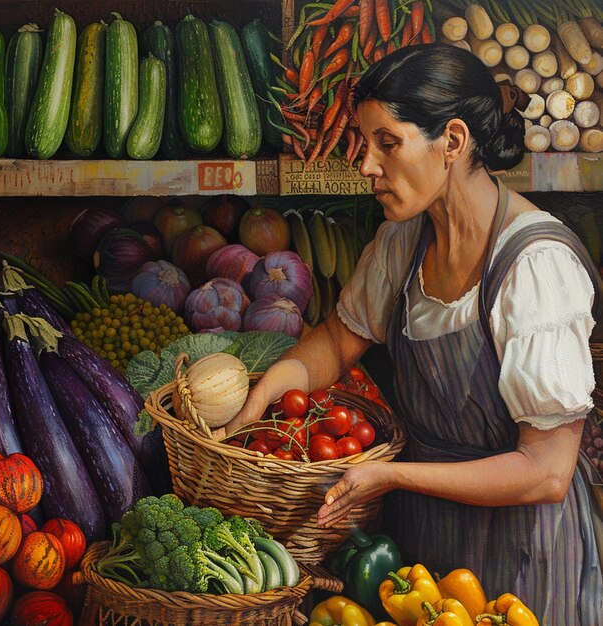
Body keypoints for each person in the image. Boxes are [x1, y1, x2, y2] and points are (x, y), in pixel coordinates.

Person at [224, 43, 603, 623]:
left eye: (388, 143)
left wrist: (391, 474)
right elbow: (334, 340)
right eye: (365, 144)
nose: (367, 166)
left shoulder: (534, 265)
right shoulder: (402, 246)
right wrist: (270, 387)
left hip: (525, 551)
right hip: (421, 551)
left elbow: (548, 472)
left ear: (452, 142)